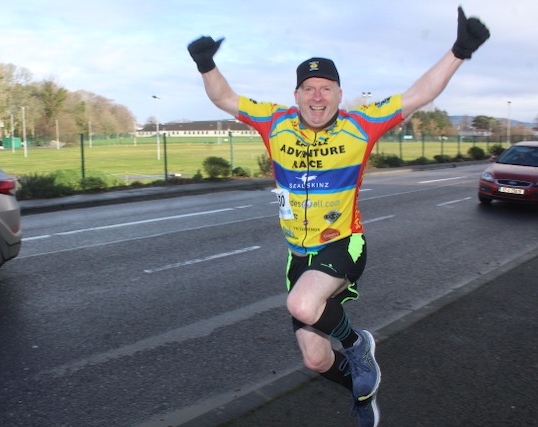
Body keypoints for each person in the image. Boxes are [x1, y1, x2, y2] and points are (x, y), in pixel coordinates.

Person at [187, 6, 489, 427]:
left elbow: (420, 93)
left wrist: (459, 50)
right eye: (308, 88)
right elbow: (224, 98)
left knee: (301, 302)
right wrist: (205, 63)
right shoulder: (273, 122)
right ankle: (362, 392)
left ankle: (358, 344)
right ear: (296, 95)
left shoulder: (361, 125)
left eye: (325, 88)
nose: (316, 96)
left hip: (343, 242)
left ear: (339, 93)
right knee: (314, 358)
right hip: (299, 255)